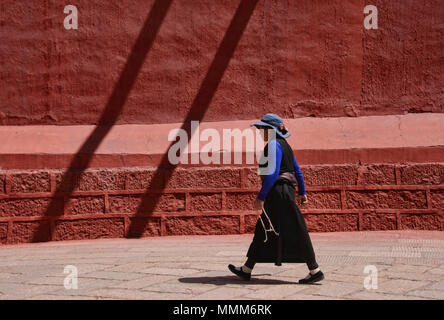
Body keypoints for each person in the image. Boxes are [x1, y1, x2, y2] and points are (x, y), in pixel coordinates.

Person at [228, 113, 324, 284]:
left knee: (296, 228)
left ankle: (315, 269)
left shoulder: (273, 144)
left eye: (261, 128)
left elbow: (272, 174)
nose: (259, 131)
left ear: (270, 130)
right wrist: (302, 192)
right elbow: (297, 171)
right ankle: (247, 268)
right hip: (285, 192)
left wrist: (261, 197)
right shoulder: (285, 145)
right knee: (264, 229)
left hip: (277, 192)